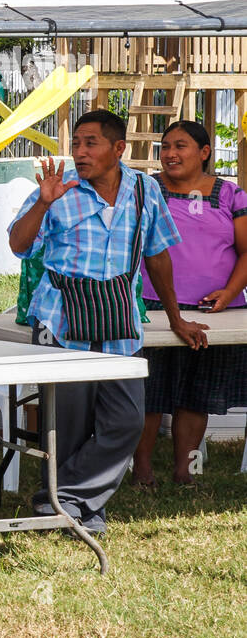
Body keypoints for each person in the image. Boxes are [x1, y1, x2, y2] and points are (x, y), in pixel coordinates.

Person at [8, 110, 208, 536]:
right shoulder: (59, 189)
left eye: (91, 143)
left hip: (119, 319)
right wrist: (44, 203)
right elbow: (19, 246)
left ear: (119, 149)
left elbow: (156, 254)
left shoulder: (144, 189)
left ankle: (63, 499)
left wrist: (175, 317)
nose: (80, 152)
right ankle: (80, 508)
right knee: (71, 423)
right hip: (62, 319)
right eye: (76, 142)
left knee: (126, 421)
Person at [132, 120, 247, 486]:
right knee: (148, 392)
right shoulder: (145, 190)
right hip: (151, 308)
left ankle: (185, 470)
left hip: (215, 314)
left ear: (204, 153)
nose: (170, 154)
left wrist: (228, 293)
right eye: (165, 147)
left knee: (199, 392)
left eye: (180, 146)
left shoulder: (231, 195)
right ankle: (142, 469)